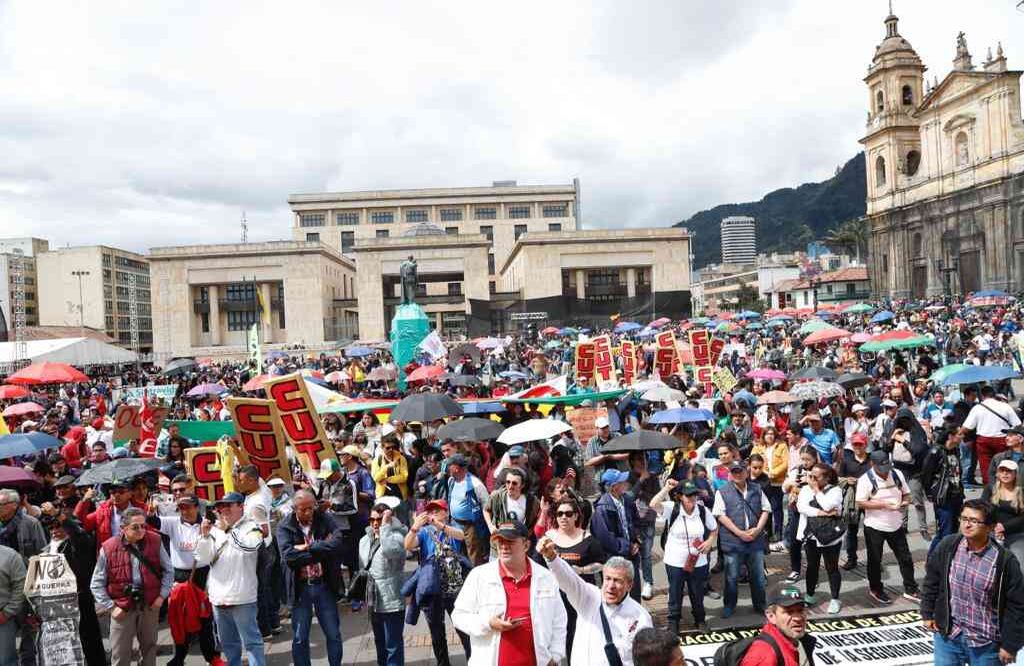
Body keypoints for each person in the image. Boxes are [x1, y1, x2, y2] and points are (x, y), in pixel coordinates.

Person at [922, 499, 1024, 665]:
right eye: (964, 519)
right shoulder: (948, 546)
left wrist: (1010, 645)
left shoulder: (1005, 561)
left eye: (974, 521)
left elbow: (1017, 606)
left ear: (990, 527)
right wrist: (927, 612)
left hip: (986, 644)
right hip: (949, 637)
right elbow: (932, 580)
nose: (967, 525)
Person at [452, 520, 567, 666]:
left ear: (526, 545)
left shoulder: (545, 577)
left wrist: (555, 655)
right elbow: (459, 616)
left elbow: (559, 620)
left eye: (510, 541)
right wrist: (488, 623)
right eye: (500, 541)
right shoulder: (479, 575)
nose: (504, 546)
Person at [536, 535, 652, 666]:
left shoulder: (641, 617)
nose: (611, 586)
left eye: (618, 581)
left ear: (630, 585)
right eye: (608, 578)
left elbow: (646, 660)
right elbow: (568, 579)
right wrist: (552, 558)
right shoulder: (589, 597)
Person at [89, 506, 173, 666]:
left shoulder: (155, 540)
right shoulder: (108, 547)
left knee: (149, 648)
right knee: (120, 653)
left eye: (143, 526)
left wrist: (162, 596)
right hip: (122, 607)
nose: (141, 530)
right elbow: (96, 584)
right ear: (123, 528)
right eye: (135, 527)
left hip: (149, 604)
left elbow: (169, 571)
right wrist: (111, 607)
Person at [148, 493, 221, 666]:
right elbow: (152, 522)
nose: (184, 511)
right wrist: (150, 511)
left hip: (202, 576)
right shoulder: (172, 522)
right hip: (179, 577)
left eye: (188, 507)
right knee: (178, 619)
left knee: (205, 618)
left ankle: (212, 657)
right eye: (181, 508)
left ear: (197, 507)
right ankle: (179, 657)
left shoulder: (208, 524)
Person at [194, 492, 266, 666]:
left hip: (243, 597)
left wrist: (229, 530)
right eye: (220, 506)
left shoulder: (252, 526)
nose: (223, 510)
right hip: (218, 597)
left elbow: (250, 547)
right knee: (229, 645)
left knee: (252, 643)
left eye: (228, 505)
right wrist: (204, 536)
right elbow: (202, 559)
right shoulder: (215, 530)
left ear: (241, 506)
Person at [277, 489, 345, 666]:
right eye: (303, 509)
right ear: (294, 508)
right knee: (300, 637)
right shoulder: (285, 526)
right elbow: (289, 557)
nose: (308, 512)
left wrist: (308, 548)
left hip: (324, 585)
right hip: (300, 589)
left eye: (311, 508)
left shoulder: (324, 518)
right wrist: (322, 550)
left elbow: (337, 541)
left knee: (333, 634)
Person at [534, 497, 606, 659]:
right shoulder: (548, 538)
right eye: (559, 514)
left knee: (577, 635)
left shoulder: (587, 539)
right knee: (555, 636)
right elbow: (536, 566)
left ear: (576, 516)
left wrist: (582, 570)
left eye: (568, 513)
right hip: (555, 597)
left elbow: (602, 563)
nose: (563, 517)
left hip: (580, 596)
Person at [404, 500, 472, 666]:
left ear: (445, 512)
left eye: (437, 510)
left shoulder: (451, 528)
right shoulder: (425, 532)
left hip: (454, 590)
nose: (433, 513)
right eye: (430, 511)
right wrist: (414, 527)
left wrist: (439, 525)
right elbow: (408, 545)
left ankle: (474, 660)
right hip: (432, 589)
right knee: (437, 634)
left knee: (464, 630)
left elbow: (461, 536)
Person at [650, 479, 717, 633]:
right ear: (680, 496)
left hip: (698, 560)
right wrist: (666, 488)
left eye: (694, 494)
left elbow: (714, 529)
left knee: (697, 592)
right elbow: (653, 504)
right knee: (675, 591)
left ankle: (700, 620)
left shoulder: (702, 511)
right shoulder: (672, 509)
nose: (692, 498)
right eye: (688, 495)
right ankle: (673, 621)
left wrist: (709, 542)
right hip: (675, 560)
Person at [855, 450, 920, 605]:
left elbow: (907, 494)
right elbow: (861, 502)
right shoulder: (865, 480)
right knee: (875, 560)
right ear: (872, 465)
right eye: (881, 469)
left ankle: (911, 589)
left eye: (887, 467)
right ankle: (876, 589)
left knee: (905, 558)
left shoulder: (897, 474)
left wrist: (903, 504)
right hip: (874, 526)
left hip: (896, 524)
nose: (885, 472)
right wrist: (883, 504)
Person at [714, 459, 770, 618]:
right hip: (733, 541)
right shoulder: (722, 491)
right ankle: (729, 606)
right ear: (730, 474)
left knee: (758, 576)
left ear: (746, 472)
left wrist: (758, 529)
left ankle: (760, 605)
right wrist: (740, 533)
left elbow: (766, 509)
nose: (737, 474)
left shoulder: (757, 488)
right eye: (734, 472)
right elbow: (720, 515)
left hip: (755, 540)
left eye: (740, 471)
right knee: (731, 576)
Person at [360, 502, 407, 666]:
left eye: (379, 520)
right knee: (379, 644)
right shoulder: (364, 540)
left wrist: (386, 526)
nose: (375, 523)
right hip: (374, 601)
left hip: (392, 601)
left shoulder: (398, 536)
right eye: (372, 519)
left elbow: (391, 551)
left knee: (392, 646)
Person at [796, 463, 844, 614]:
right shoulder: (804, 489)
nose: (811, 480)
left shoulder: (835, 490)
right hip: (810, 534)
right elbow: (802, 507)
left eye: (815, 477)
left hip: (830, 536)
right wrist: (822, 513)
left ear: (826, 478)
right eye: (810, 476)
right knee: (812, 566)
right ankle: (810, 595)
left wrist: (817, 490)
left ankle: (835, 599)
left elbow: (829, 505)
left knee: (832, 567)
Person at [591, 469, 642, 601]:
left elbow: (635, 523)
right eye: (622, 481)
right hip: (614, 557)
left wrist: (636, 542)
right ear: (614, 487)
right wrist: (627, 547)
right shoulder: (602, 509)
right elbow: (605, 539)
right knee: (617, 594)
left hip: (631, 554)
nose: (626, 483)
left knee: (633, 591)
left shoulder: (627, 500)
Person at [738, 586, 818, 666]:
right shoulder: (764, 656)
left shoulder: (798, 639)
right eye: (789, 612)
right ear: (771, 616)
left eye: (800, 610)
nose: (797, 618)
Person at [960, 385, 1021, 485]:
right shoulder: (1005, 406)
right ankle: (1004, 487)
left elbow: (967, 427)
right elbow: (1017, 424)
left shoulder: (977, 408)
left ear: (982, 396)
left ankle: (989, 490)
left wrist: (958, 434)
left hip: (983, 441)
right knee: (1003, 465)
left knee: (986, 467)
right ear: (994, 395)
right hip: (1002, 439)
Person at [921, 426, 966, 555]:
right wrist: (931, 494)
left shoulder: (956, 450)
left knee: (952, 530)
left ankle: (939, 558)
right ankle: (937, 560)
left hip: (957, 495)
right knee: (945, 531)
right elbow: (926, 474)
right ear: (951, 436)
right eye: (960, 434)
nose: (962, 437)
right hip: (943, 497)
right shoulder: (936, 451)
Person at [445, 453, 490, 566]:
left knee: (474, 556)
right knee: (457, 554)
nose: (447, 468)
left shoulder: (475, 484)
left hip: (471, 527)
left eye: (449, 465)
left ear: (456, 468)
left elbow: (487, 504)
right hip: (454, 523)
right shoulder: (451, 481)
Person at [981, 459, 1024, 564]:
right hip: (992, 532)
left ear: (1015, 474)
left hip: (1016, 534)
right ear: (997, 473)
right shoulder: (990, 489)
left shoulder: (1021, 492)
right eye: (1002, 470)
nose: (1005, 473)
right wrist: (994, 527)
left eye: (1009, 471)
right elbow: (983, 510)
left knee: (1019, 563)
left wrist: (1004, 527)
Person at [0, 543, 24, 666]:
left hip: (3, 620)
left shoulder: (10, 556)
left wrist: (7, 613)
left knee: (5, 662)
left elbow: (21, 587)